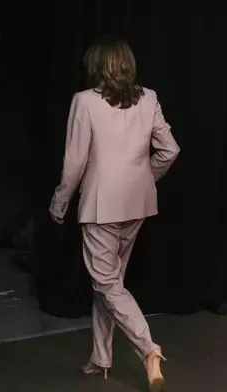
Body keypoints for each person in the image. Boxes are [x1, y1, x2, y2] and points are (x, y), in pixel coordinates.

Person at [48, 35, 180, 392]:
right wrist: (144, 178)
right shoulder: (148, 97)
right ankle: (101, 358)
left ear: (97, 65)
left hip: (101, 206)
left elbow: (74, 164)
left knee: (106, 283)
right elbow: (169, 150)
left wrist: (60, 202)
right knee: (110, 284)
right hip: (136, 204)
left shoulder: (84, 102)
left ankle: (149, 349)